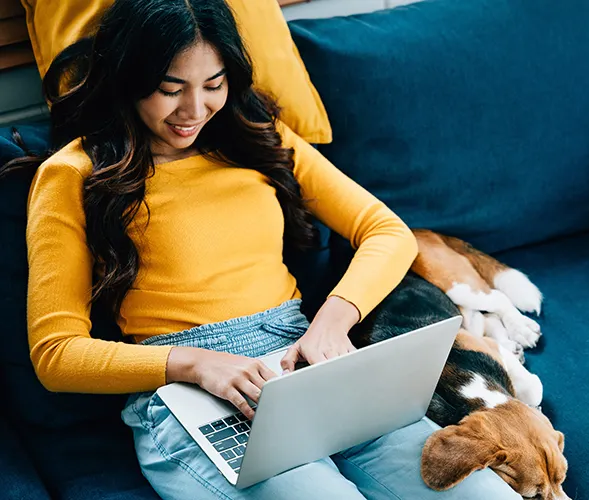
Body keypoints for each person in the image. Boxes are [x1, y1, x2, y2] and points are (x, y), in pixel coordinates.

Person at [2, 0, 520, 498]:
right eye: (169, 88)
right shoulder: (72, 175)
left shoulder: (258, 136)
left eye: (214, 85)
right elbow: (56, 354)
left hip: (307, 368)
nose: (195, 109)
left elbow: (387, 232)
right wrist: (199, 365)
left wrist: (332, 322)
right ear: (128, 76)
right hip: (188, 397)